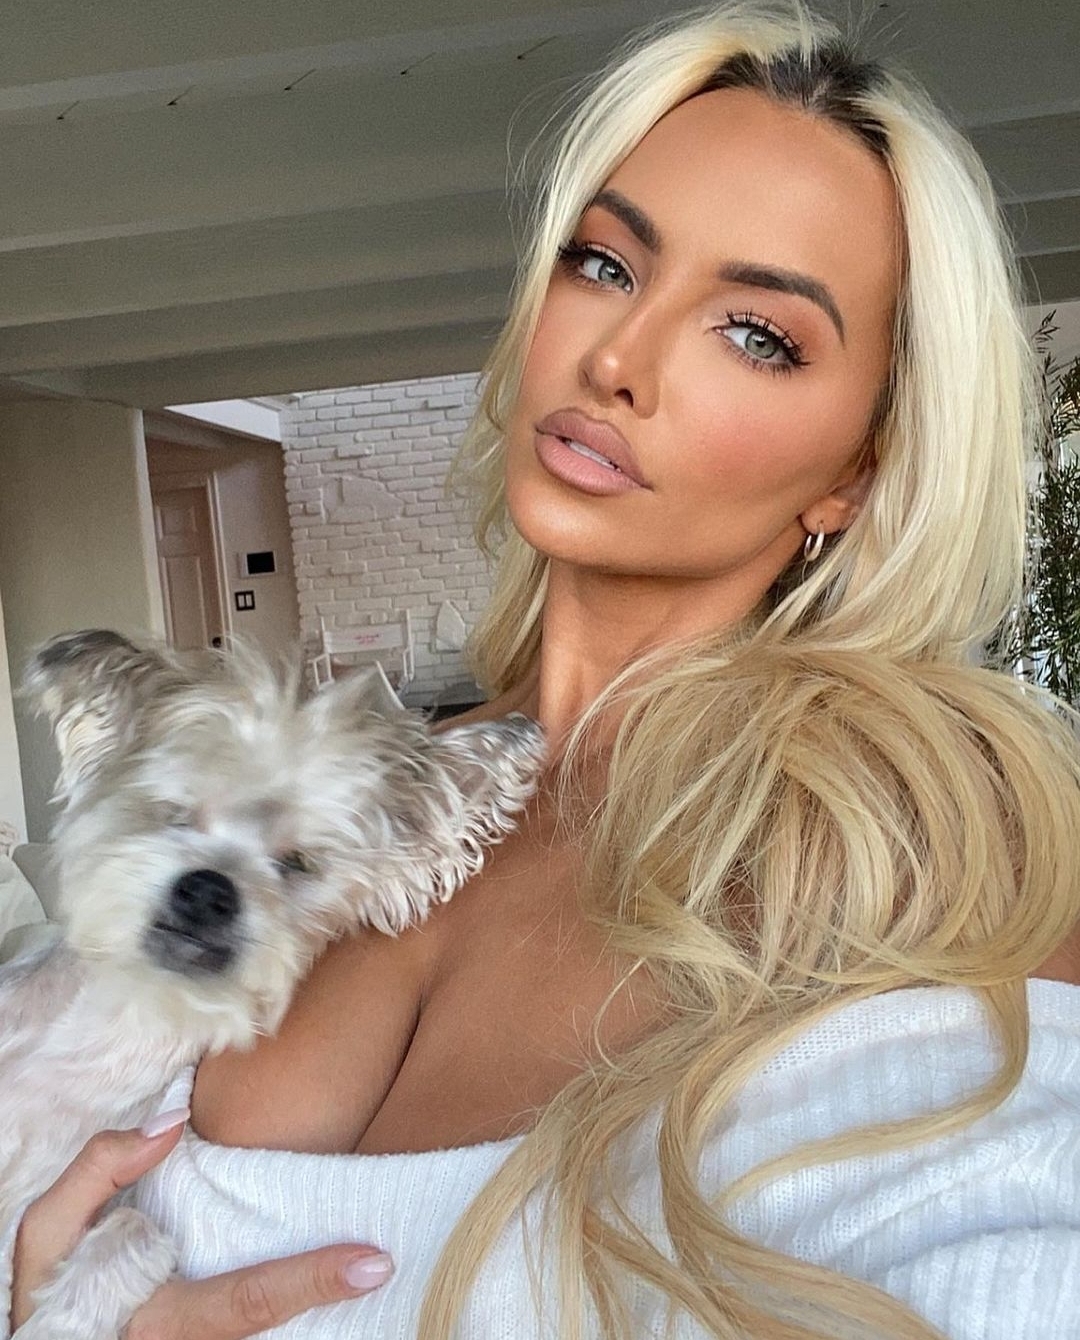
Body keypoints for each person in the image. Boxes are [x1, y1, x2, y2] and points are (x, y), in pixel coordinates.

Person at [9, 3, 1080, 1337]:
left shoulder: (933, 829)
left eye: (757, 334)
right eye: (606, 263)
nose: (617, 358)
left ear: (859, 471)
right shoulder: (357, 804)